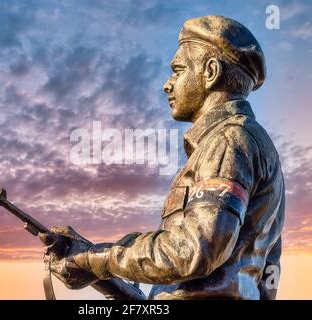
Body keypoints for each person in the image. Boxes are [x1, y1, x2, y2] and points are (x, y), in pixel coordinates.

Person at [40, 15, 285, 300]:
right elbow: (268, 275)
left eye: (178, 71)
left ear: (210, 72)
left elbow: (192, 251)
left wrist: (92, 260)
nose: (167, 85)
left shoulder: (228, 141)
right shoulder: (255, 145)